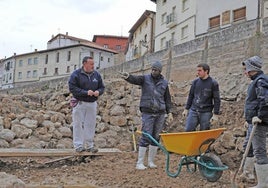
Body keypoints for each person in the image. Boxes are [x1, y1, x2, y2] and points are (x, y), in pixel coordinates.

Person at [120, 61, 173, 170]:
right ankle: (139, 162)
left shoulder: (164, 83)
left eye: (156, 70)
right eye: (152, 69)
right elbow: (135, 79)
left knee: (155, 137)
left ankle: (151, 161)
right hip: (148, 112)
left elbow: (167, 99)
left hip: (160, 112)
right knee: (146, 135)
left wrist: (170, 112)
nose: (153, 71)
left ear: (160, 71)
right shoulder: (145, 79)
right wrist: (128, 77)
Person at [68, 56, 105, 153]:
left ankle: (89, 145)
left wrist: (98, 92)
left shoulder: (96, 75)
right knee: (78, 124)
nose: (93, 66)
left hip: (92, 103)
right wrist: (85, 92)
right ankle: (78, 145)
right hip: (80, 103)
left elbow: (102, 87)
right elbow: (72, 88)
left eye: (93, 64)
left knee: (91, 124)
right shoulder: (76, 75)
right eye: (91, 64)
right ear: (84, 64)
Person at [242, 56, 268, 187]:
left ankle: (263, 183)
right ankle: (248, 173)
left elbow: (265, 100)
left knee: (259, 150)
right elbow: (253, 102)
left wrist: (260, 116)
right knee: (248, 146)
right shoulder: (256, 81)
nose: (244, 71)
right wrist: (249, 119)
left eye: (246, 68)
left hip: (259, 122)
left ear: (252, 68)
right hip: (252, 121)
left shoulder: (261, 81)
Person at [182, 63, 221, 131]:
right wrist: (186, 109)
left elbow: (217, 99)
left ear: (206, 71)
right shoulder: (195, 82)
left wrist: (215, 114)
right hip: (194, 110)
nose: (198, 72)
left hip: (206, 112)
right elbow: (191, 96)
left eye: (200, 70)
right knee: (188, 130)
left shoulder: (213, 83)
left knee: (204, 132)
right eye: (197, 70)